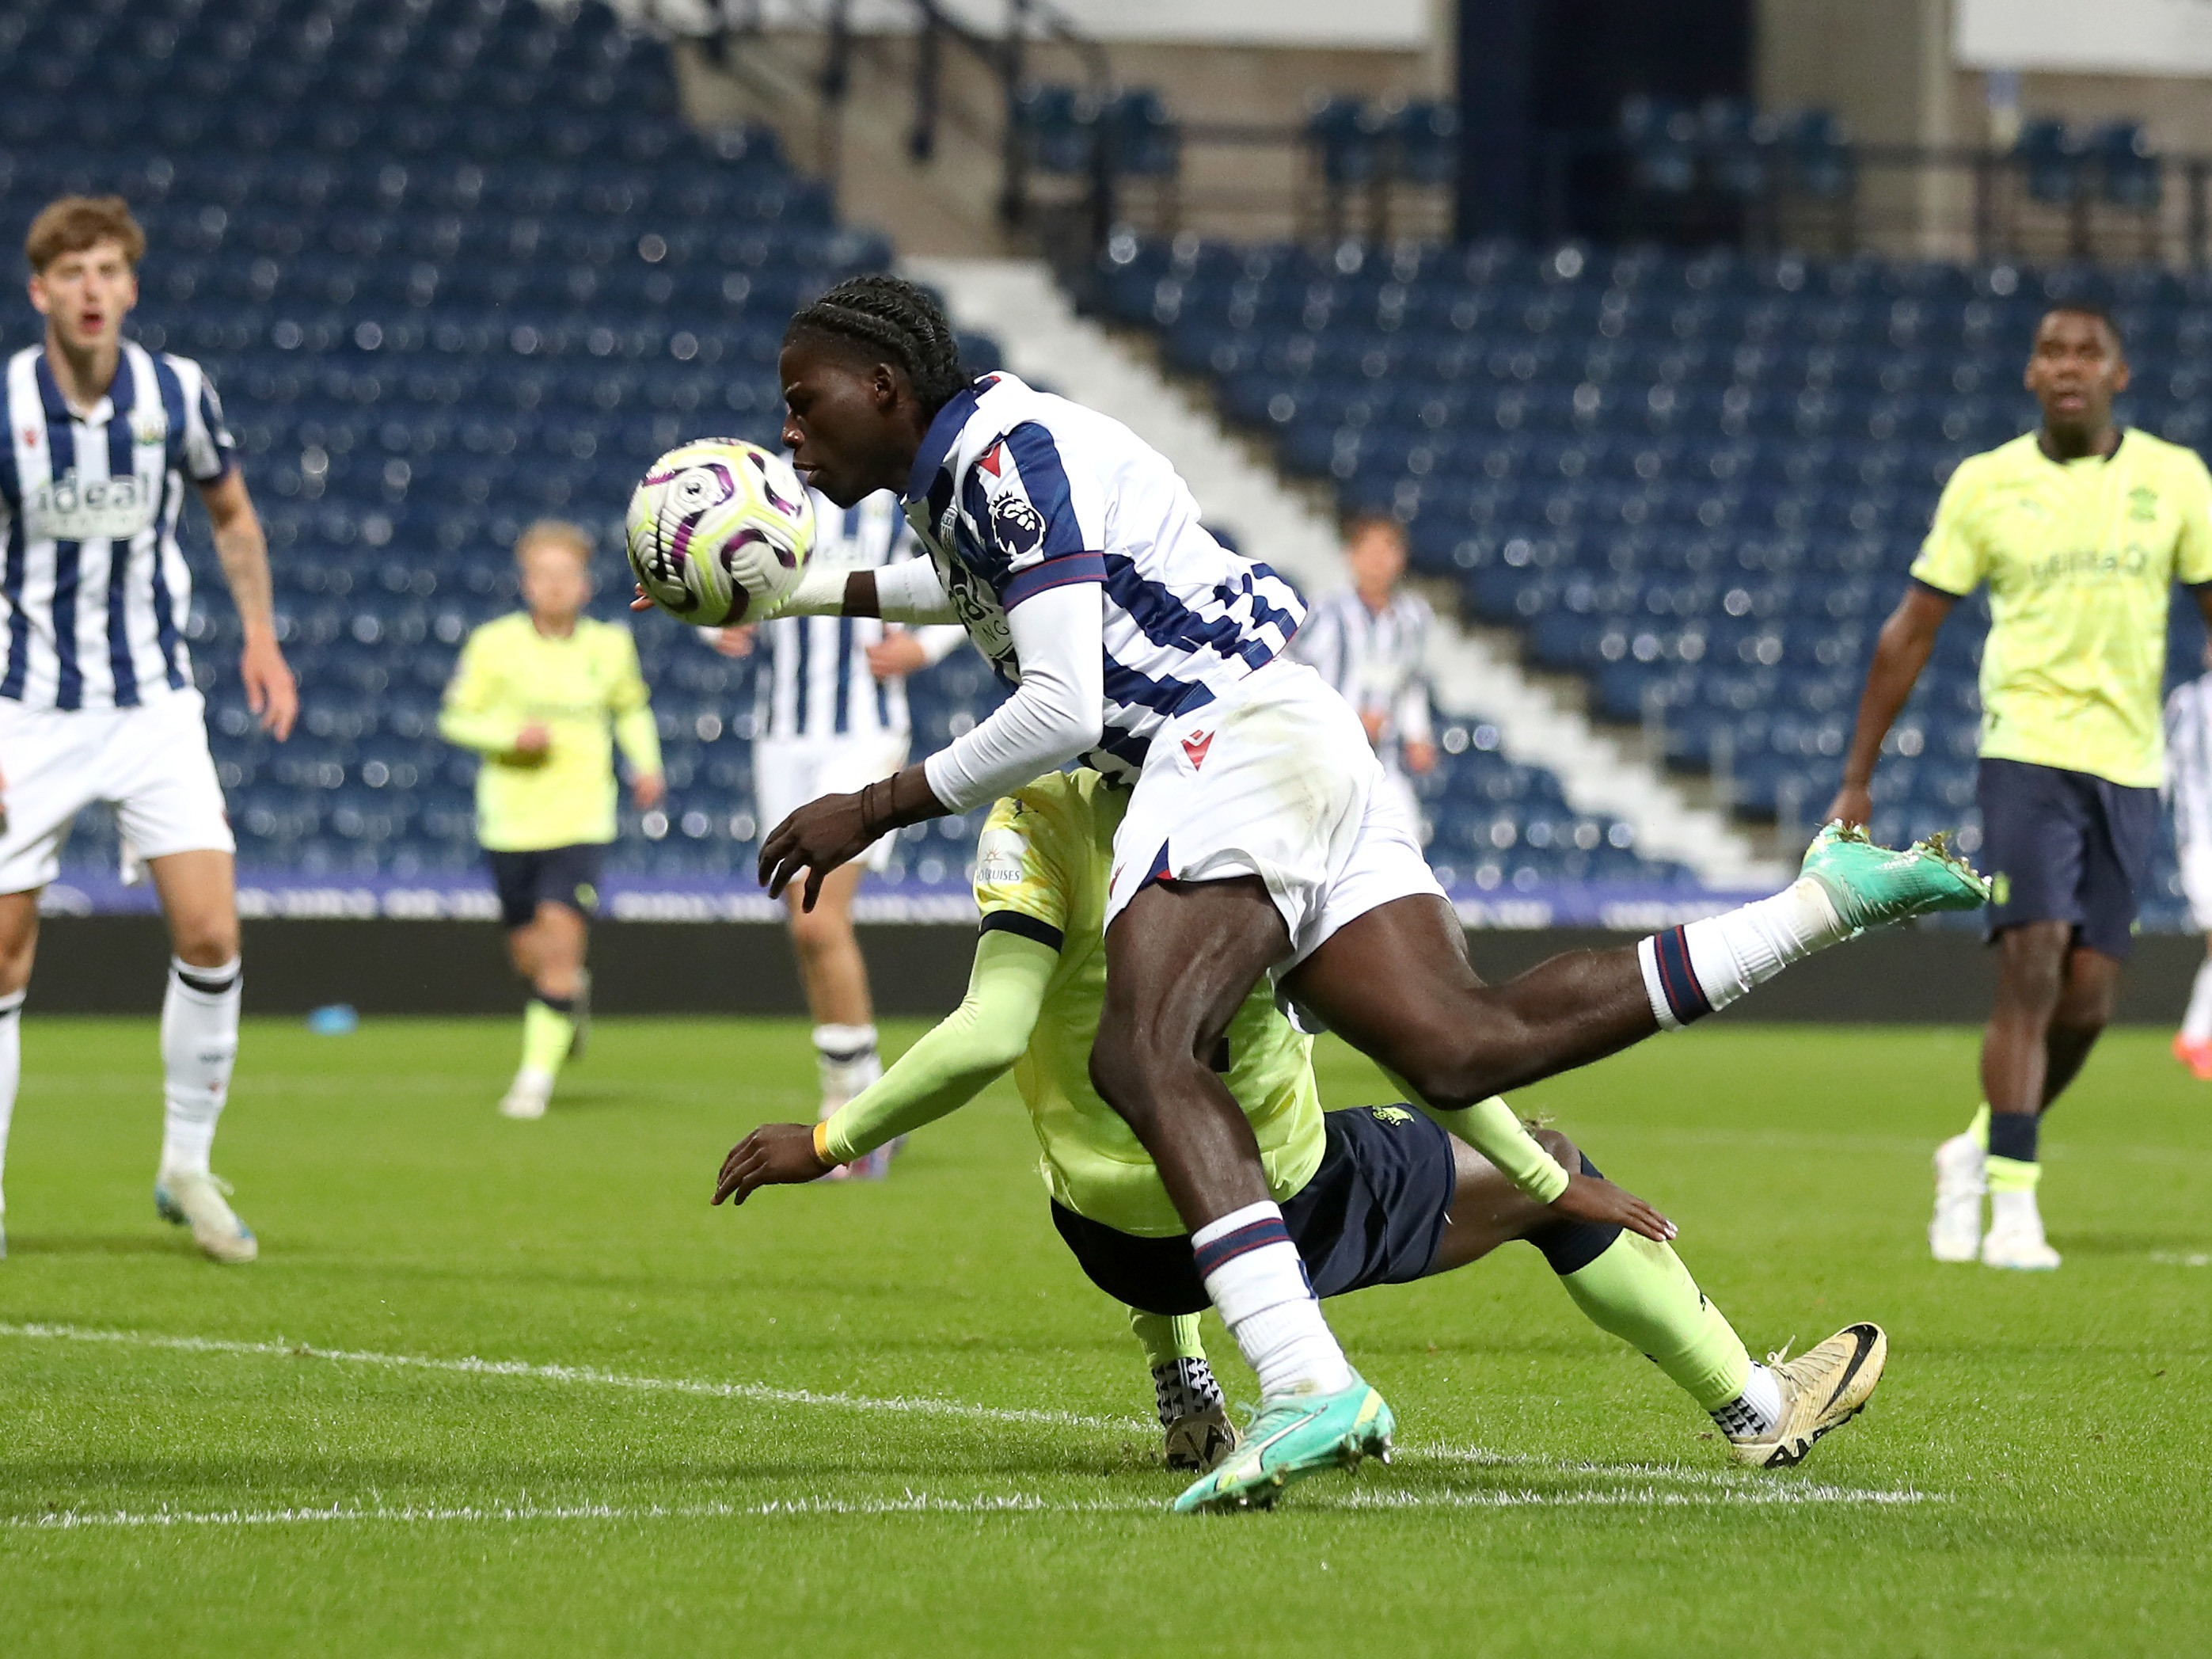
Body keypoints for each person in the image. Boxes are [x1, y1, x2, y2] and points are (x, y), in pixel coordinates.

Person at [732, 275, 1984, 1513]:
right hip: (1288, 729)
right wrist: (789, 589)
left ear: (885, 385)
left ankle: (1302, 1380)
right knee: (1458, 1043)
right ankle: (1825, 901)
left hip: (1220, 736)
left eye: (805, 399)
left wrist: (872, 804)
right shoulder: (973, 473)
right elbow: (969, 595)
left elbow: (1059, 705)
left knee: (1144, 1049)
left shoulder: (1003, 457)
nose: (790, 429)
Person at [716, 769, 1894, 1497]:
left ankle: (1181, 1376)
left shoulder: (1034, 815)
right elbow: (1415, 1041)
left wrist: (825, 1139)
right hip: (1280, 1204)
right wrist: (1548, 1175)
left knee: (1143, 1103)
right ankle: (1754, 1405)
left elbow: (987, 1031)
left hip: (1105, 1234)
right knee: (1545, 1161)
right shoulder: (1262, 811)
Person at [1825, 303, 2212, 1272]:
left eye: (2089, 352)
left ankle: (1974, 1149)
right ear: (2031, 375)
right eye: (2051, 352)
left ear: (2120, 375)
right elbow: (1910, 629)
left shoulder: (2175, 481)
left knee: (2088, 1001)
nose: (2069, 365)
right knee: (2031, 961)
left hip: (2129, 767)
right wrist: (1856, 775)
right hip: (2026, 750)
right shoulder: (1986, 485)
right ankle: (2014, 1211)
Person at [0, 196, 297, 1264]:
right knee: (2, 954)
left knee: (212, 931)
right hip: (24, 708)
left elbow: (231, 514)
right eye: (71, 271)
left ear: (130, 286)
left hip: (153, 704)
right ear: (40, 290)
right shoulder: (5, 404)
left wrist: (258, 638)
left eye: (108, 270)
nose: (91, 288)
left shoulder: (178, 393)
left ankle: (185, 1164)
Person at [709, 487, 965, 1175]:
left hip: (864, 731)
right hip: (781, 736)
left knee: (819, 921)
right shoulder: (762, 498)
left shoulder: (888, 493)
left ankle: (863, 1112)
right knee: (803, 924)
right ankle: (855, 1097)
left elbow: (967, 562)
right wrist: (713, 624)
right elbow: (708, 565)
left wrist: (929, 644)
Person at [441, 519, 663, 1120]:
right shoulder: (493, 645)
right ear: (526, 583)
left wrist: (646, 763)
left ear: (586, 584)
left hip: (582, 818)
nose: (556, 586)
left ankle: (533, 1081)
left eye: (566, 574)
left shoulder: (609, 646)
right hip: (510, 824)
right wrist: (511, 736)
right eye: (544, 574)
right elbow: (456, 719)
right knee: (530, 956)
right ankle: (568, 1001)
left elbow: (631, 708)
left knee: (561, 942)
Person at [1291, 513, 1437, 833]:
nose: (1378, 562)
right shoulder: (1324, 613)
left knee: (1406, 843)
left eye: (1386, 551)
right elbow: (1291, 674)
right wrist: (1343, 716)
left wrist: (1417, 735)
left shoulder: (1414, 619)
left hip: (1385, 762)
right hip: (1326, 760)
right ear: (1351, 557)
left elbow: (1411, 681)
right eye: (1369, 551)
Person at [2164, 645, 2212, 1079]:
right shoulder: (2188, 701)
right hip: (2202, 839)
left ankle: (2195, 1036)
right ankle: (2196, 1037)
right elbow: (2163, 766)